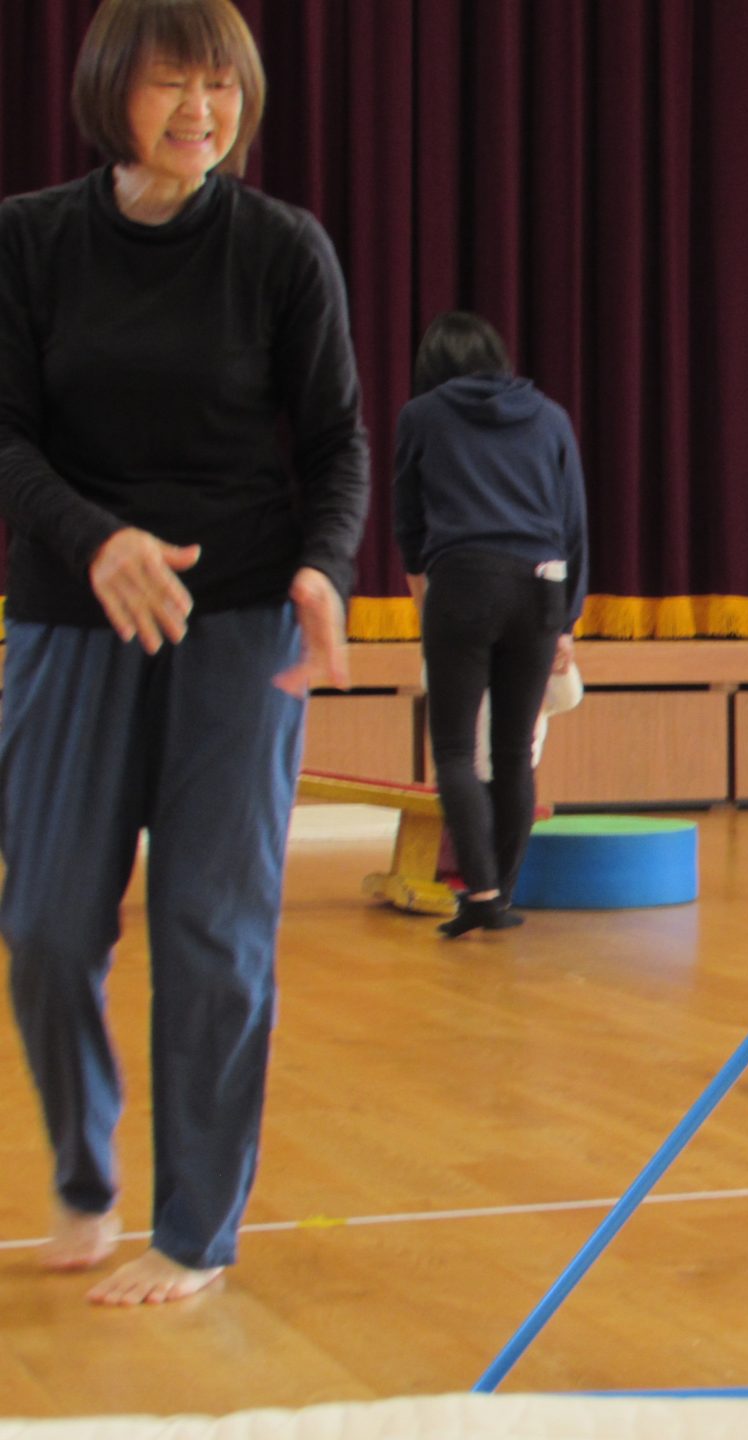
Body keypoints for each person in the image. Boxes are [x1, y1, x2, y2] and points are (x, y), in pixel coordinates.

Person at [0, 0, 368, 1306]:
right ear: (113, 89)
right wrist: (95, 539)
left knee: (212, 931)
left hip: (241, 620)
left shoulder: (282, 248)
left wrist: (323, 570)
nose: (201, 113)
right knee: (47, 928)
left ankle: (195, 1232)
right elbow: (6, 435)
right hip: (72, 612)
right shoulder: (30, 239)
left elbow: (335, 445)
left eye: (221, 87)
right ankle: (85, 1171)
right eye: (172, 85)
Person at [395, 311, 587, 938]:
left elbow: (409, 520)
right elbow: (573, 523)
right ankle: (501, 895)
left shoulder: (421, 417)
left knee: (454, 749)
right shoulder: (551, 417)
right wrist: (567, 621)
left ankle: (477, 892)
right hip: (541, 585)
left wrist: (423, 598)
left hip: (463, 581)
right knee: (513, 752)